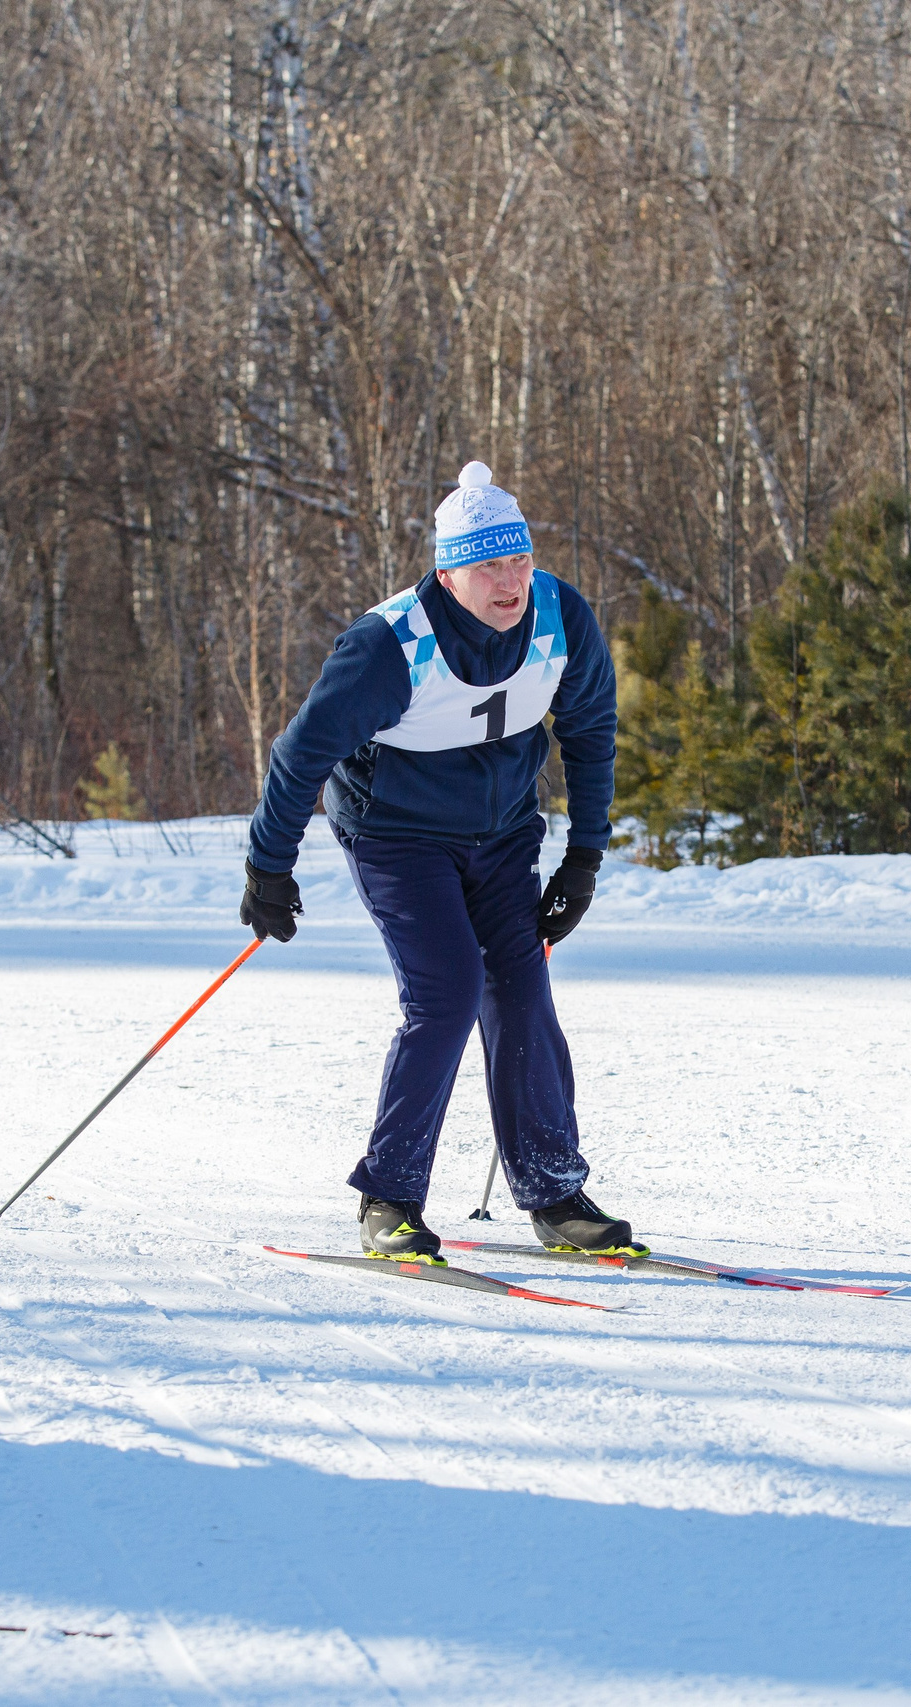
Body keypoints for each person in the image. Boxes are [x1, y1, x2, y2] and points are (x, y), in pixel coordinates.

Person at [236, 461, 636, 1261]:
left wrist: (585, 858)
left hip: (502, 832)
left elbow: (590, 731)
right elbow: (298, 755)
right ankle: (388, 1196)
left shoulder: (560, 618)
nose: (511, 580)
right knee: (447, 990)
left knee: (520, 989)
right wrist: (268, 867)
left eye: (520, 559)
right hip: (396, 835)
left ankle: (556, 1191)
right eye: (490, 565)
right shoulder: (389, 646)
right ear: (449, 570)